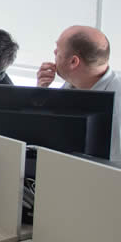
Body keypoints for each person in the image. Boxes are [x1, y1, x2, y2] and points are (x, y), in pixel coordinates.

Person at [37, 25, 120, 160]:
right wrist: (41, 92)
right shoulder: (73, 83)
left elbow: (115, 163)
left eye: (58, 50)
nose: (54, 51)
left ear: (73, 62)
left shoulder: (116, 104)